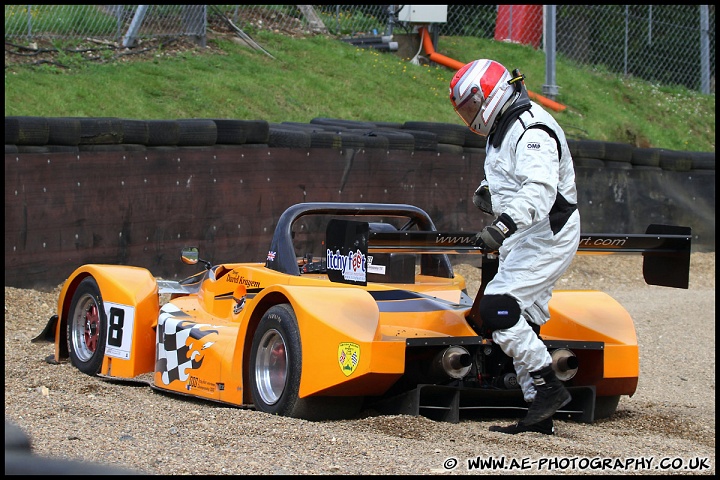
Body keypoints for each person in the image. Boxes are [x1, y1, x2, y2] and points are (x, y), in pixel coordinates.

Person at [449, 59, 581, 435]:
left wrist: (502, 225)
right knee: (526, 318)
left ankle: (549, 384)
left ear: (491, 95)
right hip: (527, 234)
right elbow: (516, 181)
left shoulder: (530, 128)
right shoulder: (503, 126)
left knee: (495, 309)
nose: (470, 115)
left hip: (546, 235)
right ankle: (540, 415)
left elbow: (540, 189)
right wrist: (491, 197)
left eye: (472, 106)